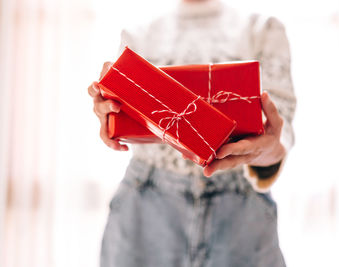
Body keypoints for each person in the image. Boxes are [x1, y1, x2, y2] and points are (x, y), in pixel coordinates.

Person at [87, 0, 296, 266]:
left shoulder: (264, 29)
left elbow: (279, 136)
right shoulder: (137, 34)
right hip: (144, 210)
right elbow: (120, 118)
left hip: (240, 212)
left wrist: (268, 150)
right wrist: (109, 115)